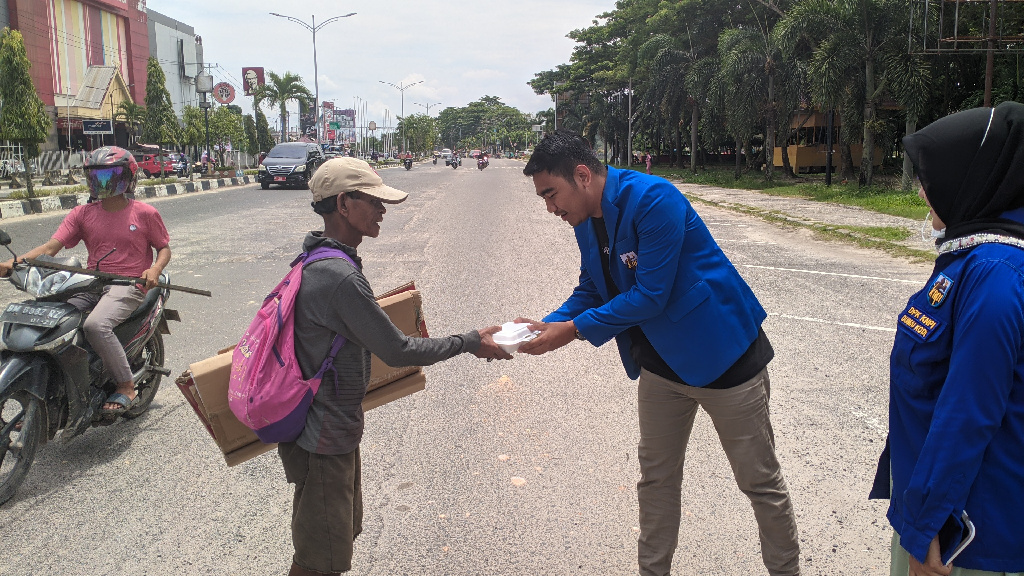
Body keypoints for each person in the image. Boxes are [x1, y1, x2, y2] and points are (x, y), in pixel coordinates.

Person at [516, 130, 800, 576]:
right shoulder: (585, 220)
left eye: (551, 194)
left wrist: (572, 331)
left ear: (583, 175)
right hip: (661, 368)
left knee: (759, 482)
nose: (550, 208)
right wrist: (547, 323)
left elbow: (651, 294)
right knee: (656, 481)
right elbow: (592, 288)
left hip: (724, 356)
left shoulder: (653, 199)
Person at [280, 157, 511, 576]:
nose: (382, 210)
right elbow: (399, 350)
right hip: (323, 437)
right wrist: (470, 341)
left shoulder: (319, 258)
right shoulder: (338, 276)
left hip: (327, 431)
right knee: (318, 560)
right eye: (373, 201)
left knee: (330, 547)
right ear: (344, 204)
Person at [870, 101, 1024, 576]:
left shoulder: (995, 276)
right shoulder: (977, 256)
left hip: (964, 540)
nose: (923, 191)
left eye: (933, 178)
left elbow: (968, 412)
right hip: (934, 507)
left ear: (973, 178)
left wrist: (927, 530)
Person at [0, 146, 171, 415]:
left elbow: (163, 248)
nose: (103, 183)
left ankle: (125, 385)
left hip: (127, 284)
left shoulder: (145, 213)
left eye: (110, 176)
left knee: (96, 325)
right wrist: (14, 263)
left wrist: (155, 270)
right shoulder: (82, 214)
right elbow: (50, 248)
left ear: (128, 177)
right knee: (53, 322)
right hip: (91, 283)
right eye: (96, 177)